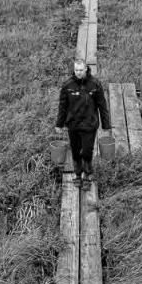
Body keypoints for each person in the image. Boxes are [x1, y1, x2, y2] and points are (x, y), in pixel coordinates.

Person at [55, 59, 111, 188]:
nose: (78, 72)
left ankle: (87, 175)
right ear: (74, 69)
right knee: (75, 151)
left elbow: (102, 106)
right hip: (73, 124)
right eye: (76, 70)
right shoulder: (67, 85)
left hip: (89, 125)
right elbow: (62, 106)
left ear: (86, 69)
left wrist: (106, 125)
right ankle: (78, 174)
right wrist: (59, 124)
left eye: (81, 70)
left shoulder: (95, 84)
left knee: (86, 151)